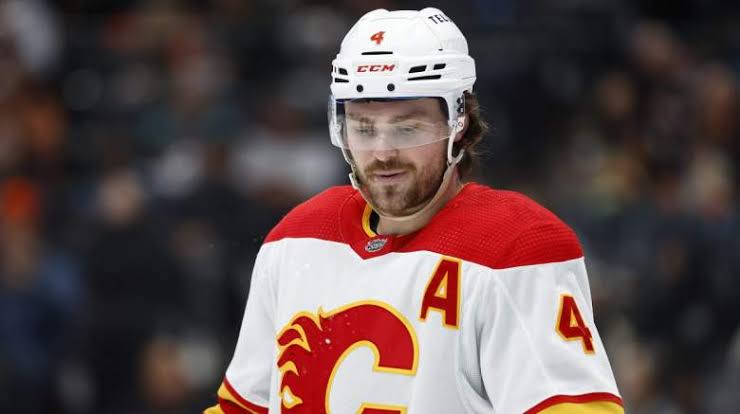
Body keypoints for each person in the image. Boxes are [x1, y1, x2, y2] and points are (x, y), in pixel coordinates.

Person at [205, 8, 622, 414]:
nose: (383, 152)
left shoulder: (514, 246)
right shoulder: (297, 237)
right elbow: (243, 408)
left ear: (459, 121)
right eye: (364, 128)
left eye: (407, 128)